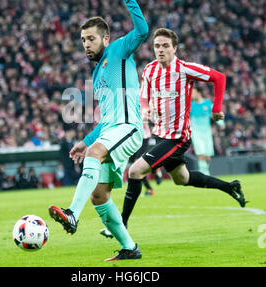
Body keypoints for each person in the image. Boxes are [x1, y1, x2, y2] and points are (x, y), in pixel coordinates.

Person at [100, 27, 247, 238]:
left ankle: (120, 226)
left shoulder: (185, 69)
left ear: (174, 48)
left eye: (165, 46)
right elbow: (143, 98)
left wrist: (216, 109)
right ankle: (230, 187)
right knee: (182, 178)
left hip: (178, 138)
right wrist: (145, 109)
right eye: (157, 46)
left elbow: (219, 77)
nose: (160, 50)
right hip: (161, 135)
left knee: (134, 171)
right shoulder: (150, 70)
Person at [48, 0, 149, 261]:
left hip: (129, 128)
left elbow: (142, 31)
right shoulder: (97, 71)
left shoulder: (118, 49)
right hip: (110, 131)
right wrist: (84, 141)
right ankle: (130, 248)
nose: (86, 44)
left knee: (96, 154)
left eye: (90, 38)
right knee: (100, 195)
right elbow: (105, 118)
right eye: (82, 40)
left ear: (105, 37)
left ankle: (72, 215)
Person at [190, 86, 225, 176]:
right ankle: (204, 174)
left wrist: (221, 123)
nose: (191, 94)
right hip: (196, 133)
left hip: (207, 133)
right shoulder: (191, 105)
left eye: (193, 92)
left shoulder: (208, 103)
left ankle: (205, 171)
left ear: (198, 92)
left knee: (208, 156)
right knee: (201, 154)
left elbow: (215, 113)